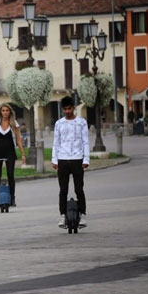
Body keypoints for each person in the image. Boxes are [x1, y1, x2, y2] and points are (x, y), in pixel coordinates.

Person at [52, 96, 89, 229]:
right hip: (62, 159)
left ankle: (83, 215)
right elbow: (56, 143)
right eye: (65, 109)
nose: (67, 111)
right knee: (63, 190)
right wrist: (54, 160)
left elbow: (85, 141)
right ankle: (62, 215)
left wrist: (86, 159)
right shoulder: (59, 123)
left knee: (79, 188)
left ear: (74, 108)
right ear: (62, 109)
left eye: (69, 108)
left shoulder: (81, 122)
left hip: (77, 159)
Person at [0, 103, 26, 207]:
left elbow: (18, 140)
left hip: (10, 153)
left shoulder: (14, 124)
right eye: (3, 110)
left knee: (10, 175)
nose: (5, 112)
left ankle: (12, 198)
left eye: (7, 110)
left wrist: (23, 154)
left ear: (10, 112)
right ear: (0, 112)